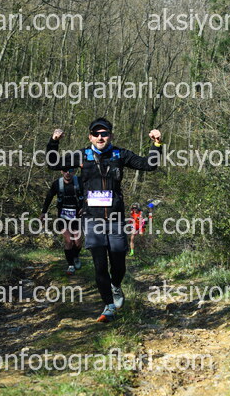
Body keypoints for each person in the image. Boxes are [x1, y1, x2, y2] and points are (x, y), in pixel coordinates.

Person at [46, 117, 162, 322]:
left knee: (118, 264)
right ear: (90, 137)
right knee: (100, 266)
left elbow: (149, 165)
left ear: (110, 136)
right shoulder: (82, 155)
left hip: (115, 217)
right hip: (92, 219)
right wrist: (54, 142)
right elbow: (52, 163)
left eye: (104, 133)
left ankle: (115, 286)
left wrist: (157, 145)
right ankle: (108, 305)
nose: (100, 137)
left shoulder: (120, 154)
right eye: (96, 134)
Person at [40, 168, 84, 275]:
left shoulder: (80, 182)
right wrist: (44, 212)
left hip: (77, 216)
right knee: (68, 241)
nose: (67, 173)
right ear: (61, 171)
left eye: (70, 170)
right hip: (63, 216)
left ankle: (75, 256)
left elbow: (88, 194)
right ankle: (70, 265)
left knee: (77, 242)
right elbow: (49, 196)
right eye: (65, 170)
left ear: (74, 171)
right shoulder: (57, 184)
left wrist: (85, 207)